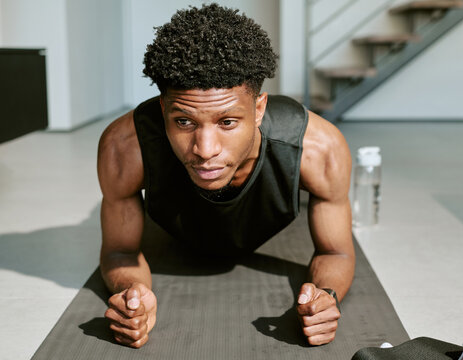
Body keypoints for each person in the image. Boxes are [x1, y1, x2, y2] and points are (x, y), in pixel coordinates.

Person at [97, 3, 355, 349]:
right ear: (163, 110)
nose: (205, 149)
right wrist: (132, 295)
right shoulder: (124, 147)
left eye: (227, 122)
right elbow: (119, 251)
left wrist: (325, 298)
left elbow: (336, 252)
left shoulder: (318, 148)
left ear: (259, 108)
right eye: (184, 122)